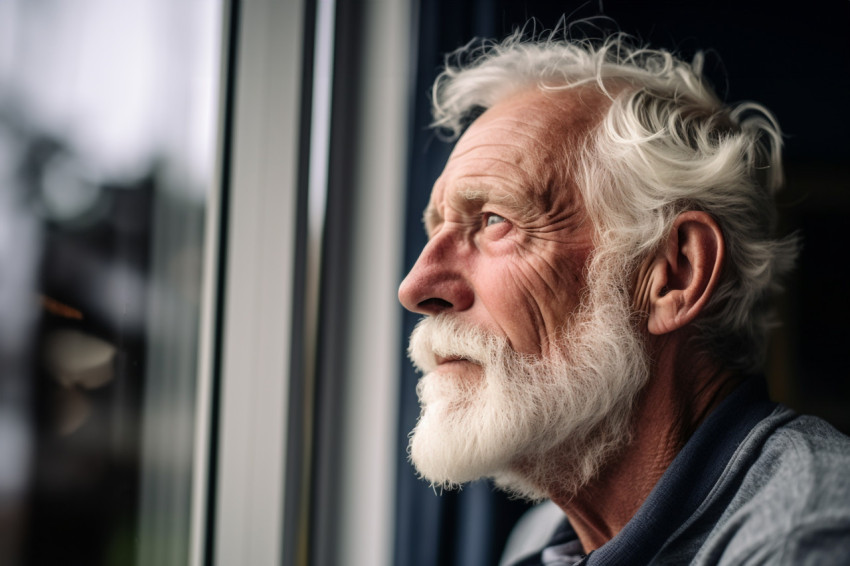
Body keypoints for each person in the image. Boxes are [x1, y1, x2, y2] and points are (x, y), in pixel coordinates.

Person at [397, 30, 850, 565]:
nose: (416, 287)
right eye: (436, 230)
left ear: (674, 274)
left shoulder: (800, 537)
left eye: (496, 221)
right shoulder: (543, 538)